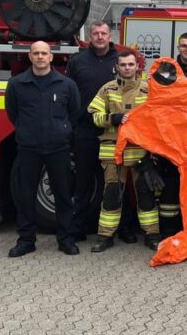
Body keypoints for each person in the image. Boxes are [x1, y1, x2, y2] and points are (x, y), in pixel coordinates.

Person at [5, 41, 81, 257]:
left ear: (51, 57)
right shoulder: (17, 84)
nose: (40, 57)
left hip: (59, 148)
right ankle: (26, 240)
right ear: (29, 56)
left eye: (44, 53)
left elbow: (74, 113)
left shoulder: (66, 85)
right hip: (29, 149)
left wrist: (61, 131)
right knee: (25, 195)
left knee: (63, 195)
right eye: (36, 53)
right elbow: (13, 114)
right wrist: (27, 132)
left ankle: (65, 239)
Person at [88, 50, 160, 253]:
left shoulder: (148, 90)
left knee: (146, 195)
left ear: (137, 66)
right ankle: (105, 236)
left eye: (131, 64)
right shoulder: (107, 89)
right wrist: (114, 118)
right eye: (123, 65)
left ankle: (152, 234)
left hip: (140, 152)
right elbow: (94, 116)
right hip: (113, 152)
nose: (127, 68)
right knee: (111, 194)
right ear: (117, 67)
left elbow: (158, 119)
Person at [65, 21, 120, 241]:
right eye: (95, 33)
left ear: (110, 35)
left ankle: (110, 229)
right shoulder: (78, 62)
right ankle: (78, 229)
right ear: (90, 35)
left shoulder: (120, 61)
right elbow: (69, 94)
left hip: (113, 132)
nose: (99, 36)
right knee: (83, 182)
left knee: (112, 183)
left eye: (103, 33)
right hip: (85, 131)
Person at [159, 32, 187, 236]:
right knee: (171, 186)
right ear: (178, 47)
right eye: (184, 45)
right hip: (172, 137)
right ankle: (168, 230)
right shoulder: (167, 70)